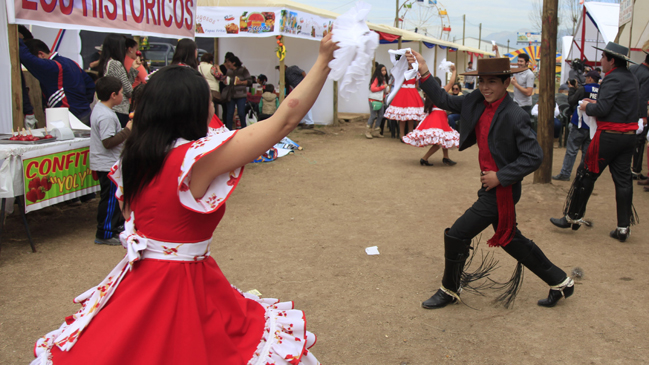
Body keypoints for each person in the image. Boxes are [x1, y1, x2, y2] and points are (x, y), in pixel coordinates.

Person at [31, 33, 337, 365]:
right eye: (206, 99)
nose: (211, 104)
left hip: (137, 280)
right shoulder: (194, 160)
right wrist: (322, 61)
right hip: (181, 285)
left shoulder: (134, 156)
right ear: (190, 108)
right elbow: (284, 121)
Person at [406, 52, 574, 309]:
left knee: (457, 234)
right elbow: (445, 99)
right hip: (490, 186)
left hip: (502, 190)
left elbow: (534, 156)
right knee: (509, 238)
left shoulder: (515, 115)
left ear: (506, 83)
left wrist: (501, 177)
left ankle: (449, 289)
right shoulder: (475, 100)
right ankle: (561, 282)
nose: (485, 87)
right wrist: (424, 71)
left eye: (492, 81)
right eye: (482, 80)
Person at [550, 42, 640, 242]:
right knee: (624, 182)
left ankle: (573, 217)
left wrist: (585, 107)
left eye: (603, 58)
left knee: (586, 174)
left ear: (612, 60)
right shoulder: (631, 78)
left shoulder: (612, 78)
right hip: (628, 137)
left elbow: (602, 109)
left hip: (609, 137)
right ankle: (623, 227)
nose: (601, 61)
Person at [90, 76, 131, 246]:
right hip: (106, 164)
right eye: (122, 93)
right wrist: (127, 130)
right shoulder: (105, 115)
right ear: (113, 95)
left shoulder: (103, 110)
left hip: (109, 163)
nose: (124, 96)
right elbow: (108, 142)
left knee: (114, 198)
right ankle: (105, 232)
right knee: (110, 200)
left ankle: (115, 227)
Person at [19, 38, 95, 125]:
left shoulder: (53, 66)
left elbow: (26, 58)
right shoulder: (71, 62)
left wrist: (18, 40)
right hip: (84, 112)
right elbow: (90, 85)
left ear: (41, 54)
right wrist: (82, 103)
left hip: (67, 115)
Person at [402, 70, 459, 167]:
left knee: (443, 138)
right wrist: (454, 71)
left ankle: (446, 157)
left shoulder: (429, 94)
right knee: (439, 140)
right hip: (439, 118)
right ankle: (424, 158)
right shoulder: (440, 92)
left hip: (435, 117)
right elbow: (451, 83)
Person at [552, 70, 600, 181]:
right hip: (593, 126)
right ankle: (583, 174)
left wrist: (573, 89)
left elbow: (572, 101)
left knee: (571, 150)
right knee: (587, 152)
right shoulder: (602, 90)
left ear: (591, 79)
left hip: (580, 123)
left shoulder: (584, 89)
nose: (586, 79)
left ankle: (565, 173)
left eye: (587, 77)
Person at [99, 34, 140, 128]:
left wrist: (133, 70)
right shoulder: (116, 64)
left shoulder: (106, 62)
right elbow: (128, 90)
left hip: (112, 107)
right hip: (119, 109)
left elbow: (124, 84)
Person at [383, 61, 425, 140]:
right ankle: (401, 135)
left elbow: (416, 84)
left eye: (411, 64)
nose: (410, 65)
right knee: (403, 116)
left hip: (412, 93)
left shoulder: (415, 73)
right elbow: (398, 82)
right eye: (409, 64)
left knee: (411, 116)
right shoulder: (402, 72)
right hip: (403, 93)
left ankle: (410, 133)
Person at [630, 51, 649, 184]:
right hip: (638, 111)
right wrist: (644, 116)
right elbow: (643, 97)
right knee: (640, 141)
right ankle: (635, 169)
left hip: (626, 109)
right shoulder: (647, 75)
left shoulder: (632, 68)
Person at [282, 64, 315, 129]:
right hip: (297, 89)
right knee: (298, 105)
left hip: (303, 87)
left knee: (305, 104)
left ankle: (310, 122)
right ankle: (300, 121)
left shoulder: (292, 68)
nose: (280, 70)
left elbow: (302, 72)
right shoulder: (285, 75)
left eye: (280, 68)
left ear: (285, 67)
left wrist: (306, 81)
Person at [225, 56, 251, 130]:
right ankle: (228, 130)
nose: (227, 63)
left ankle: (244, 128)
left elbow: (249, 81)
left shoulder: (243, 70)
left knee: (241, 113)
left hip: (241, 95)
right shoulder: (229, 71)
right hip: (231, 95)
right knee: (230, 113)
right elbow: (227, 80)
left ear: (234, 62)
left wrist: (241, 82)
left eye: (229, 62)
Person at [366, 64, 388, 139]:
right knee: (373, 115)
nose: (384, 72)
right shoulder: (376, 79)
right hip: (374, 100)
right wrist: (382, 87)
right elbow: (373, 88)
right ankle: (368, 131)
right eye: (382, 70)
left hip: (381, 100)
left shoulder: (384, 79)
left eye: (385, 70)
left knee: (380, 115)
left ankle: (376, 131)